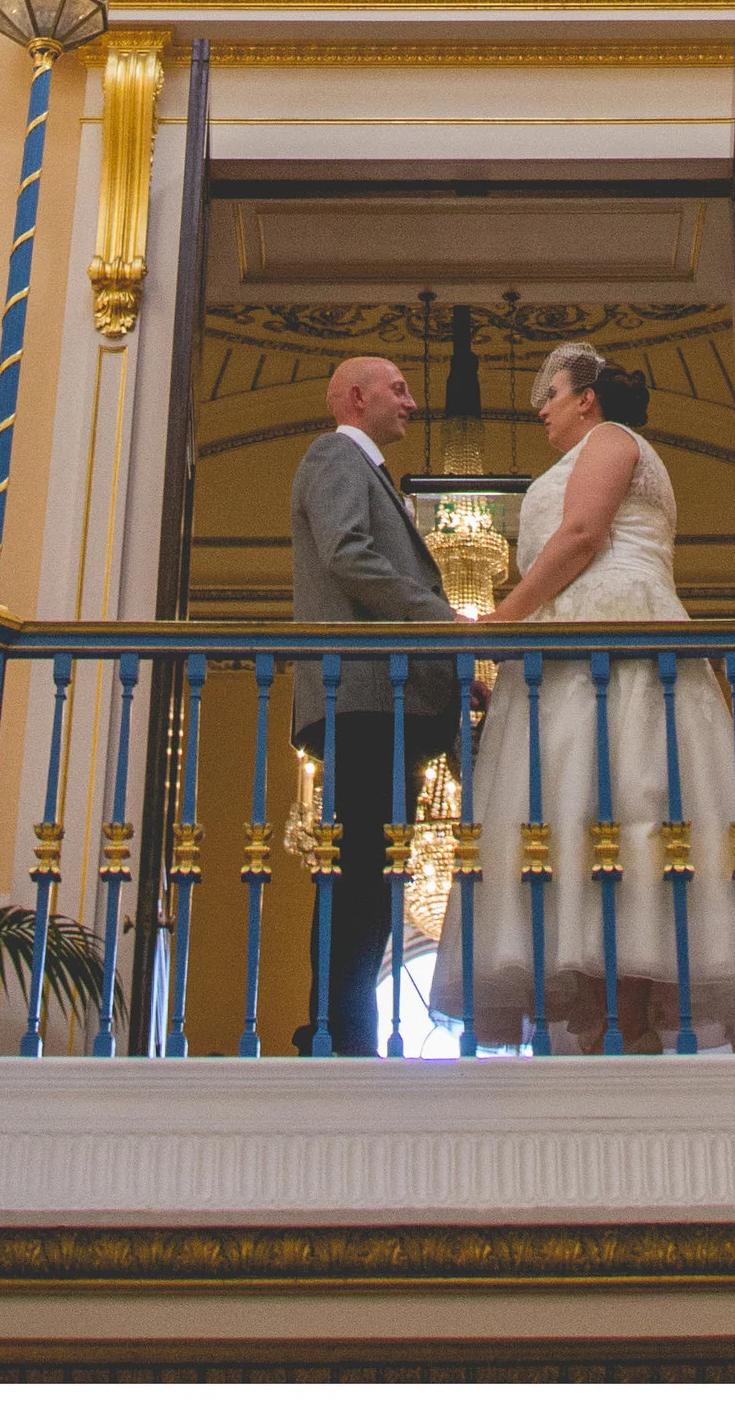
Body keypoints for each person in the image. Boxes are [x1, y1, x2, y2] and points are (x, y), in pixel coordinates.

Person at [436, 341, 735, 1052]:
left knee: (628, 800)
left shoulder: (612, 439)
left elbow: (582, 534)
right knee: (571, 810)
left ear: (588, 396)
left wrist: (500, 621)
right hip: (568, 646)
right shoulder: (581, 450)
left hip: (615, 633)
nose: (541, 410)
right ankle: (593, 1009)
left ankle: (624, 1016)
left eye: (549, 394)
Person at [288, 351, 455, 1055]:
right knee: (362, 873)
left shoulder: (366, 471)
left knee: (374, 870)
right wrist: (444, 623)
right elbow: (348, 556)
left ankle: (340, 1024)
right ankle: (335, 1028)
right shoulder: (335, 457)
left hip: (387, 701)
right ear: (357, 399)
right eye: (399, 389)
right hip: (362, 701)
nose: (411, 402)